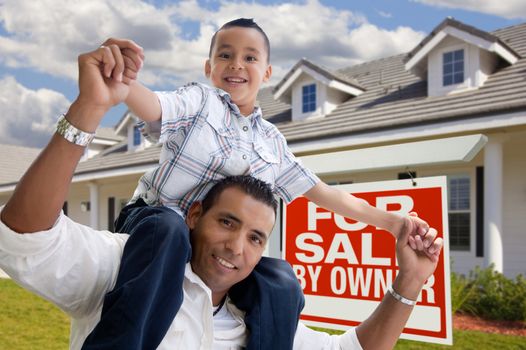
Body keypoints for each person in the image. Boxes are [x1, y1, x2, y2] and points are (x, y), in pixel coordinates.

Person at [76, 18, 440, 348]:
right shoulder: (199, 103)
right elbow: (154, 105)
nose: (236, 64)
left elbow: (325, 194)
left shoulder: (272, 143)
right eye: (225, 55)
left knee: (280, 278)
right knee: (169, 227)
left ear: (266, 73)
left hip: (213, 242)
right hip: (156, 225)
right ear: (209, 68)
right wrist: (123, 83)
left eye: (250, 58)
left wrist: (394, 223)